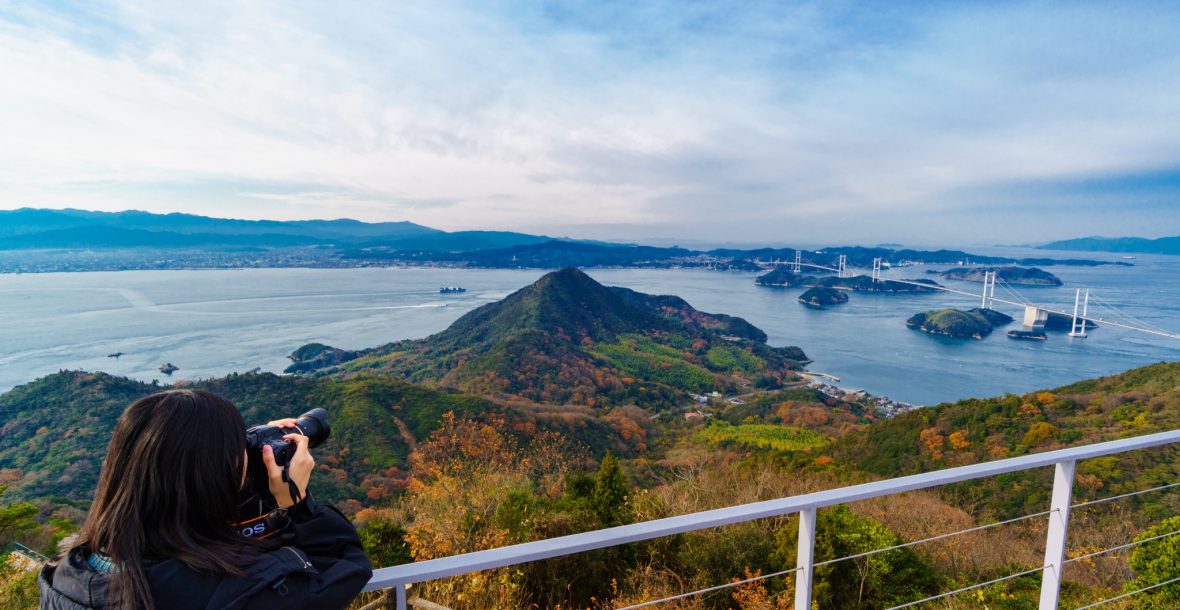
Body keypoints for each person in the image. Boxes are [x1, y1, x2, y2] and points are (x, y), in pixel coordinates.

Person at [38, 389, 373, 609]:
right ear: (206, 479)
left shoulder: (67, 573)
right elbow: (346, 566)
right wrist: (295, 504)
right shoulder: (238, 593)